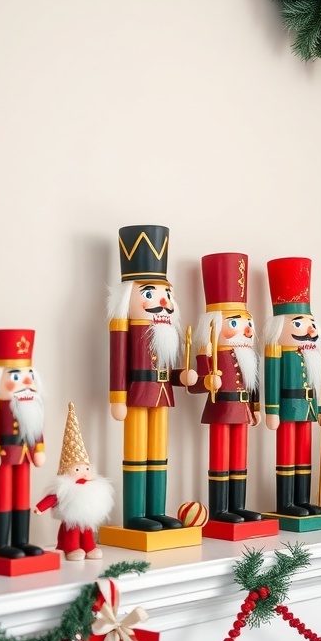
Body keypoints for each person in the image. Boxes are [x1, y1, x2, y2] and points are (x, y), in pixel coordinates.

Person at [107, 224, 197, 531]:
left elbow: (168, 367)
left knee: (158, 453)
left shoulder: (167, 330)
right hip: (135, 392)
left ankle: (156, 510)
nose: (163, 301)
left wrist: (182, 375)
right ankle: (135, 514)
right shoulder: (123, 326)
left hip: (162, 394)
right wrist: (117, 398)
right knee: (136, 452)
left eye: (167, 293)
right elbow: (118, 364)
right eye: (151, 293)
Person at [190, 253, 263, 522]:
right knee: (220, 457)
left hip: (243, 409)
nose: (245, 329)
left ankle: (238, 505)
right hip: (221, 408)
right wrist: (207, 379)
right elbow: (195, 385)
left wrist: (256, 408)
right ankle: (220, 509)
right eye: (235, 323)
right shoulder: (207, 349)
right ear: (214, 324)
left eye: (247, 323)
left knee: (240, 459)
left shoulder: (248, 352)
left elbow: (254, 382)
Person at [264, 257, 321, 516]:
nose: (309, 330)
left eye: (311, 323)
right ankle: (286, 503)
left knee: (304, 454)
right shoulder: (278, 352)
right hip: (287, 407)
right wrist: (271, 410)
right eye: (300, 324)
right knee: (287, 452)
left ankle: (302, 499)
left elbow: (320, 383)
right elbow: (271, 379)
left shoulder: (314, 354)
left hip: (308, 408)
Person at [0, 328, 45, 558]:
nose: (25, 381)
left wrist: (39, 447)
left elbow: (36, 427)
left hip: (25, 453)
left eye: (28, 375)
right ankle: (0, 545)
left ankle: (21, 541)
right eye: (16, 376)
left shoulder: (33, 403)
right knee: (3, 494)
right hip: (5, 453)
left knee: (22, 495)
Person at [34, 401, 113, 560]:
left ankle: (90, 548)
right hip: (71, 518)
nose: (83, 473)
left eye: (86, 469)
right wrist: (40, 508)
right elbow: (53, 498)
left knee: (88, 531)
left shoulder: (95, 485)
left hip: (87, 517)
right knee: (72, 531)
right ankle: (72, 549)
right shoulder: (64, 486)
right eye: (78, 470)